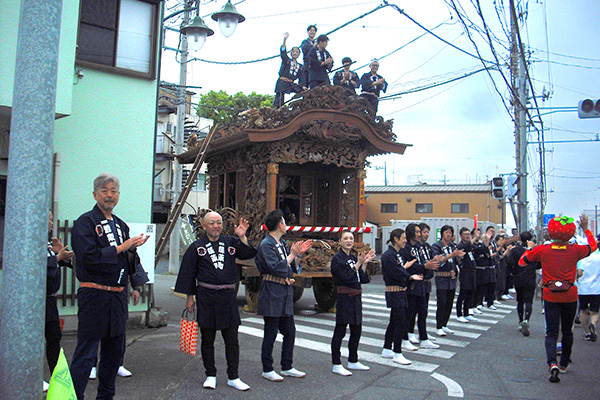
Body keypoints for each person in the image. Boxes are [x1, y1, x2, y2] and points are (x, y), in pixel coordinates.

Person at [70, 174, 150, 400]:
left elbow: (128, 257)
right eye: (104, 190)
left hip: (117, 296)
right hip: (93, 293)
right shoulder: (85, 222)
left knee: (113, 353)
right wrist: (121, 247)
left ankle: (105, 397)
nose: (109, 195)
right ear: (95, 194)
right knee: (86, 353)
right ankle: (74, 396)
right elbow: (88, 257)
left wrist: (134, 283)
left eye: (114, 191)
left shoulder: (120, 224)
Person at [174, 211, 256, 391]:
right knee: (208, 338)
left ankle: (233, 376)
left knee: (232, 339)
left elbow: (249, 253)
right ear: (204, 226)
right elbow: (188, 274)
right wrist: (190, 298)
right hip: (206, 297)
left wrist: (242, 237)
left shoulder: (231, 242)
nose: (216, 226)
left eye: (219, 222)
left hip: (227, 297)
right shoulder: (196, 247)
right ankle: (210, 374)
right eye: (211, 223)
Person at [519, 215, 597, 383]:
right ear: (571, 232)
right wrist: (586, 228)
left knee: (551, 331)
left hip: (550, 293)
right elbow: (593, 246)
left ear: (550, 231)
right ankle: (564, 362)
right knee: (567, 330)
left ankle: (552, 363)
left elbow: (522, 262)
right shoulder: (575, 249)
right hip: (570, 293)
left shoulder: (542, 249)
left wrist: (529, 248)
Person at [256, 209, 312, 382]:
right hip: (272, 290)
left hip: (284, 292)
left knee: (290, 331)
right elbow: (275, 267)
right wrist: (292, 255)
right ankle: (267, 369)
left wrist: (297, 255)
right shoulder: (266, 244)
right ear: (280, 225)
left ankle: (287, 366)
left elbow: (289, 267)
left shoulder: (281, 243)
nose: (286, 225)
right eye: (284, 222)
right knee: (271, 332)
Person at [330, 231, 375, 376]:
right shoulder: (338, 259)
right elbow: (346, 277)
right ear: (340, 241)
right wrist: (358, 264)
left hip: (356, 297)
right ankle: (336, 363)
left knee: (356, 329)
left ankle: (353, 360)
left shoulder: (353, 257)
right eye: (345, 238)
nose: (349, 241)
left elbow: (362, 279)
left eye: (351, 238)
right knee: (340, 330)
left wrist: (363, 264)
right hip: (344, 297)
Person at [44, 211, 74, 392]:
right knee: (35, 341)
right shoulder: (30, 238)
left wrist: (60, 255)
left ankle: (56, 377)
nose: (51, 222)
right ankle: (34, 375)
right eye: (48, 219)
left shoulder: (48, 242)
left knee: (54, 338)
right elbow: (36, 264)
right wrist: (57, 258)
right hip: (36, 302)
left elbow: (54, 262)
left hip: (50, 300)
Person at [380, 229, 419, 365]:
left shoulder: (396, 254)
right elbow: (396, 273)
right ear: (395, 239)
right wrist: (409, 276)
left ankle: (386, 348)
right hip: (394, 291)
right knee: (401, 322)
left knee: (395, 321)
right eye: (403, 238)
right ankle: (397, 352)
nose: (405, 241)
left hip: (401, 292)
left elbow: (401, 269)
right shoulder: (388, 255)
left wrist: (407, 272)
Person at [403, 223, 439, 349]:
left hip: (421, 282)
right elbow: (410, 266)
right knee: (410, 312)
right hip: (411, 284)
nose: (419, 235)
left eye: (420, 232)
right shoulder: (406, 248)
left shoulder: (419, 247)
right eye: (417, 232)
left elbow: (423, 262)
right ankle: (406, 336)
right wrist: (424, 266)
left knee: (423, 311)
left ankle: (424, 338)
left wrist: (428, 266)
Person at [431, 225, 465, 336]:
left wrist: (459, 256)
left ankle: (445, 324)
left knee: (450, 303)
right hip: (441, 277)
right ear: (442, 233)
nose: (448, 234)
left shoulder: (452, 246)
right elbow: (439, 260)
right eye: (446, 232)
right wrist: (452, 255)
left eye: (450, 232)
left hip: (452, 278)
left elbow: (456, 261)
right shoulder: (437, 246)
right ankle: (439, 326)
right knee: (442, 303)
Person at [507, 231, 540, 337]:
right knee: (529, 301)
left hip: (518, 278)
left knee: (520, 300)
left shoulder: (516, 250)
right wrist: (532, 267)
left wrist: (514, 270)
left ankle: (520, 321)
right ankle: (526, 320)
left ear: (520, 239)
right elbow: (539, 264)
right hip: (530, 278)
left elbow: (510, 261)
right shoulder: (535, 251)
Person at [456, 228, 484, 323]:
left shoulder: (471, 246)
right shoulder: (461, 245)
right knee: (463, 293)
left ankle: (466, 312)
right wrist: (474, 238)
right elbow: (467, 246)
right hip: (465, 272)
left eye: (468, 234)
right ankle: (459, 314)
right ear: (461, 236)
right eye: (465, 234)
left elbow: (480, 249)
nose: (467, 236)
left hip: (472, 271)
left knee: (471, 292)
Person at [575, 234, 600, 342]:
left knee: (583, 310)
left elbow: (579, 273)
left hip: (583, 288)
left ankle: (587, 332)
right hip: (597, 288)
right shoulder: (598, 257)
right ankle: (593, 324)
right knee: (595, 312)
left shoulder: (581, 258)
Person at [273, 32, 307, 108]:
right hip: (282, 82)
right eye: (293, 52)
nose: (295, 53)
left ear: (299, 54)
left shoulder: (300, 66)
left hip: (291, 84)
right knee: (280, 99)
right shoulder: (287, 61)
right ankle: (279, 109)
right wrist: (284, 40)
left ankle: (298, 106)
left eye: (297, 52)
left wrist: (303, 86)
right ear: (291, 53)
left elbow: (302, 77)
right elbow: (283, 53)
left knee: (302, 91)